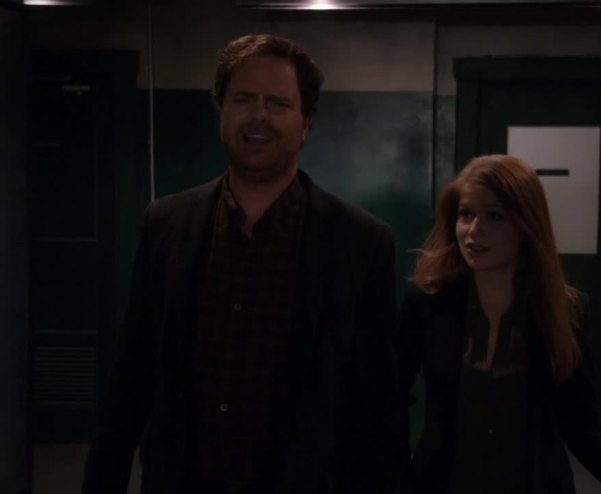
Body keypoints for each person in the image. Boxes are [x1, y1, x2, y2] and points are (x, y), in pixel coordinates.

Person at [82, 34, 404, 494]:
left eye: (278, 103)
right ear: (220, 108)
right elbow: (132, 375)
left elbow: (377, 404)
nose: (259, 116)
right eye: (244, 99)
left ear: (306, 123)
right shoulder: (166, 224)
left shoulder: (361, 243)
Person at [398, 154, 601, 493]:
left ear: (526, 224)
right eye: (466, 214)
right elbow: (389, 395)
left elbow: (581, 425)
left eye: (494, 216)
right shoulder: (427, 300)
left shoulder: (564, 310)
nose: (473, 231)